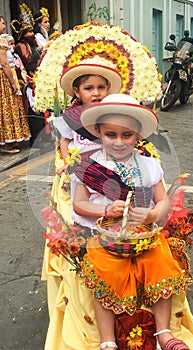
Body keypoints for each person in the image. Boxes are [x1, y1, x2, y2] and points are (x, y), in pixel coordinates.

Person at [71, 93, 193, 350]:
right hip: (107, 238)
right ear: (98, 132)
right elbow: (78, 204)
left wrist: (152, 215)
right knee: (103, 269)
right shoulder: (89, 167)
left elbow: (163, 201)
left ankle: (164, 332)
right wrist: (106, 209)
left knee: (161, 260)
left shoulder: (150, 165)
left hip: (144, 237)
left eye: (126, 135)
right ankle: (108, 341)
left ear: (138, 135)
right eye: (110, 135)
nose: (118, 142)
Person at [41, 58, 122, 316]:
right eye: (89, 88)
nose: (96, 93)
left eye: (101, 87)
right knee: (77, 215)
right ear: (76, 92)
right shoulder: (70, 117)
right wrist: (68, 163)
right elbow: (65, 141)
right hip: (82, 173)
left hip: (111, 171)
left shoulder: (115, 111)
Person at [0, 16, 31, 154]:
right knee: (8, 106)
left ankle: (10, 139)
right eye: (1, 22)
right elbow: (5, 63)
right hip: (4, 78)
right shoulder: (1, 41)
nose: (4, 26)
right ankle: (6, 141)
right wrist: (13, 82)